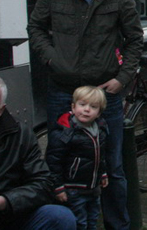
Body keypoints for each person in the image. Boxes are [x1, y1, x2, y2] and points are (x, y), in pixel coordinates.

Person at [28, 0, 143, 230]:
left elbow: (135, 39)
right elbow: (36, 28)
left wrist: (122, 77)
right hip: (63, 92)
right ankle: (68, 223)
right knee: (60, 162)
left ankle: (118, 224)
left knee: (113, 165)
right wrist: (53, 58)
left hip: (105, 93)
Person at [0, 72, 76, 230]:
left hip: (6, 216)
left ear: (1, 110)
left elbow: (43, 184)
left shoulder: (19, 135)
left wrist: (3, 201)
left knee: (59, 217)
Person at [46, 86, 109, 230]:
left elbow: (100, 155)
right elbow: (53, 162)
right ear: (73, 107)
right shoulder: (65, 133)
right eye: (82, 105)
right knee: (79, 222)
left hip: (93, 188)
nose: (87, 109)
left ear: (99, 112)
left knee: (92, 218)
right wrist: (58, 187)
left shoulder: (100, 129)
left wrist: (103, 173)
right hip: (73, 189)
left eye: (93, 107)